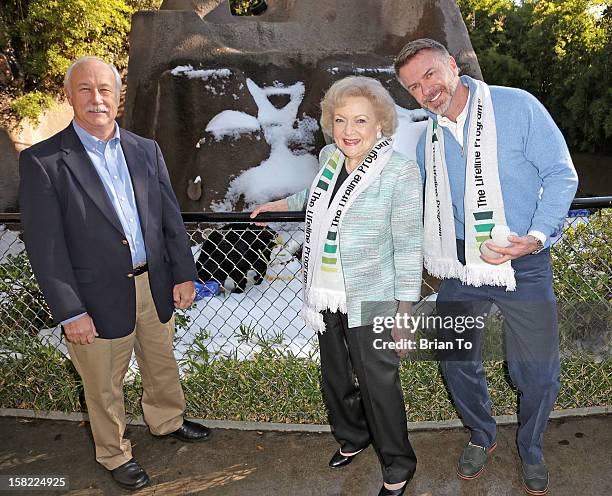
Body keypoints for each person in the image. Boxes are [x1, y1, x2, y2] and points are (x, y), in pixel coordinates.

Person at [394, 39, 578, 495]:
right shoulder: (427, 141)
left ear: (452, 66)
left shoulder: (517, 107)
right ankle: (483, 433)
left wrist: (535, 236)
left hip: (524, 260)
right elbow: (425, 211)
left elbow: (561, 174)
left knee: (537, 369)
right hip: (459, 263)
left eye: (430, 75)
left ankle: (531, 445)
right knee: (456, 357)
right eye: (414, 87)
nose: (426, 91)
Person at [19, 56, 211, 491]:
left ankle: (166, 421)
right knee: (103, 384)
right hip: (95, 294)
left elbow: (168, 218)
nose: (96, 98)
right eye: (84, 89)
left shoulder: (146, 149)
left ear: (119, 95)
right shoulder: (44, 161)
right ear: (69, 96)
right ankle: (114, 453)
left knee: (161, 362)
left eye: (105, 88)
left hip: (154, 282)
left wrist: (184, 274)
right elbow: (46, 250)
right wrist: (70, 312)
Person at [251, 76, 423, 496]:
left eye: (360, 120)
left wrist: (404, 311)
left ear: (380, 123)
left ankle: (399, 463)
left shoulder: (399, 171)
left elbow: (408, 245)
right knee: (336, 375)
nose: (348, 130)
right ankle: (353, 436)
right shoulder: (330, 156)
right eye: (341, 119)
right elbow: (315, 196)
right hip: (326, 290)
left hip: (373, 295)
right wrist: (281, 204)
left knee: (378, 382)